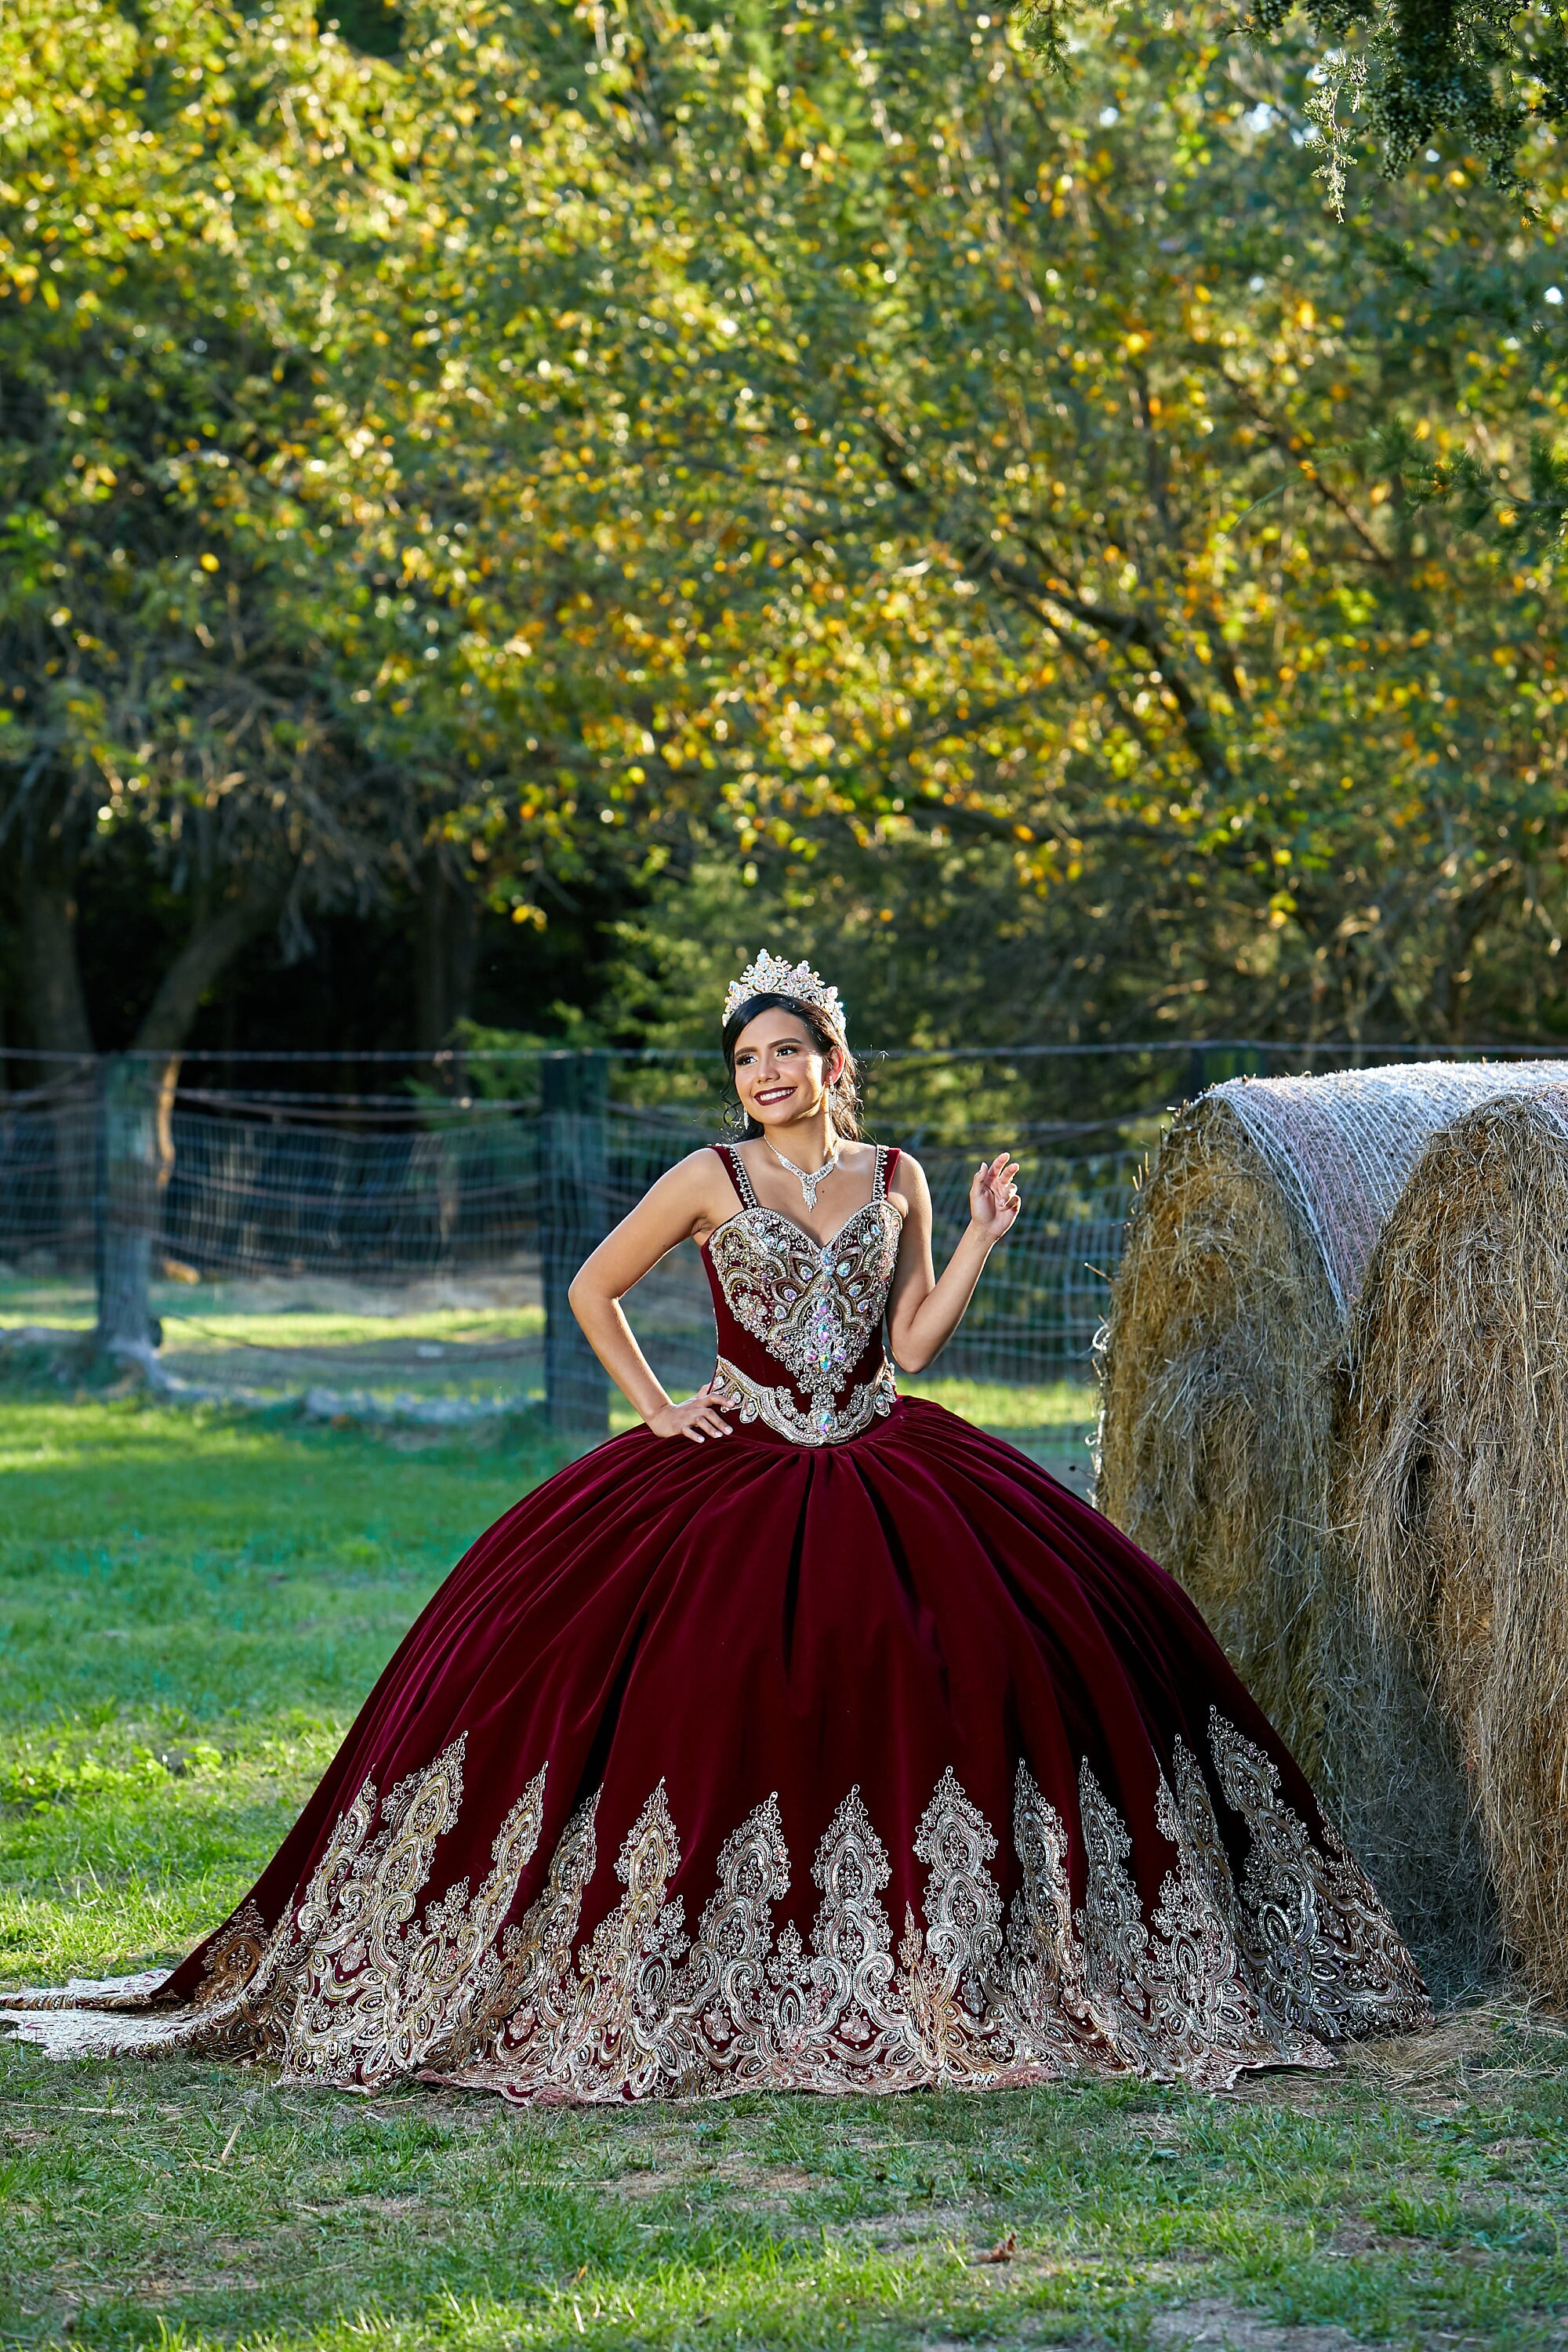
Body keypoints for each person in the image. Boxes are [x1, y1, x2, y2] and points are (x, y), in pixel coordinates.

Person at [2, 953, 1426, 2100]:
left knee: (980, 1662)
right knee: (669, 1682)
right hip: (732, 1449)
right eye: (746, 1060)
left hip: (882, 1451)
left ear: (829, 1062)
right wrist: (654, 1410)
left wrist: (984, 1230)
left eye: (785, 1052)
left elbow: (916, 1345)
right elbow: (589, 1289)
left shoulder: (899, 1178)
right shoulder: (708, 1178)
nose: (765, 1076)